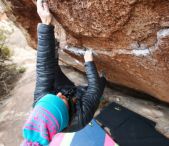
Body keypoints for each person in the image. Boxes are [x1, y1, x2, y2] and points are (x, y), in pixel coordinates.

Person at [21, 0, 106, 145]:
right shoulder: (80, 118)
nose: (58, 95)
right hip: (81, 99)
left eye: (53, 96)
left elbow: (44, 69)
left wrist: (46, 25)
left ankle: (55, 45)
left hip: (67, 91)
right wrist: (89, 63)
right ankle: (104, 78)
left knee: (52, 69)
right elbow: (94, 91)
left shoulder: (41, 102)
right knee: (100, 82)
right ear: (64, 114)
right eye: (59, 100)